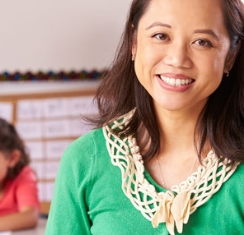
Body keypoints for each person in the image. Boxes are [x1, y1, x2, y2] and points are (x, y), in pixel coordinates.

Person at [46, 0, 244, 234]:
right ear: (134, 42)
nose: (177, 59)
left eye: (202, 42)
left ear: (230, 56)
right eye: (161, 36)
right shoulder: (84, 160)